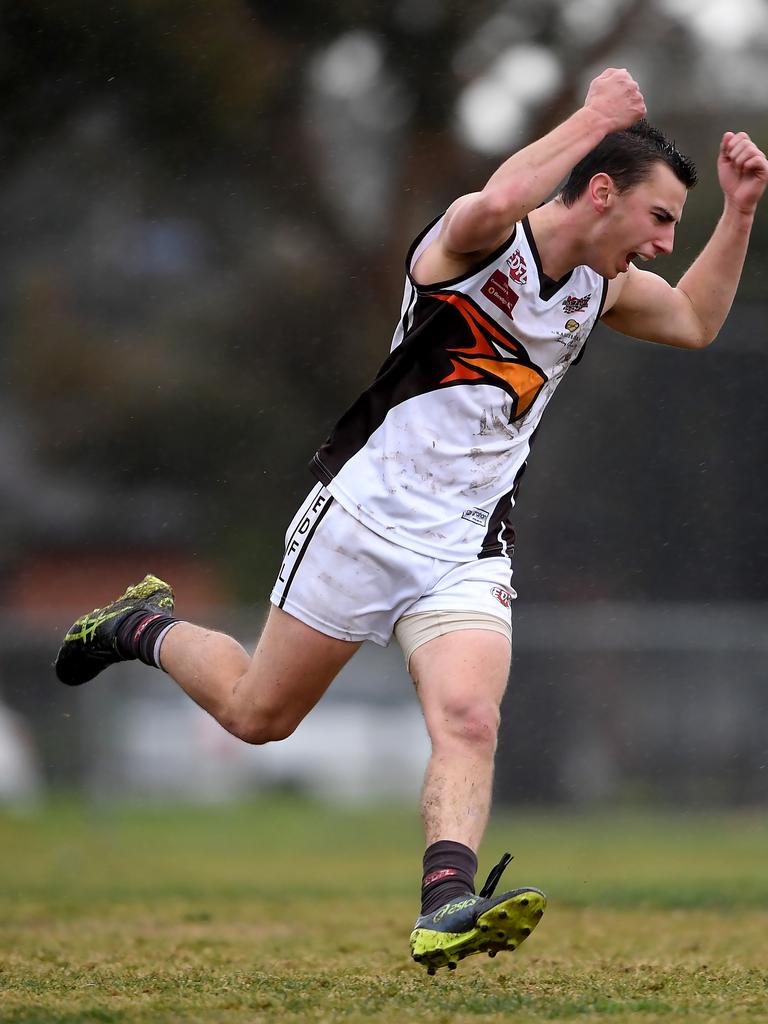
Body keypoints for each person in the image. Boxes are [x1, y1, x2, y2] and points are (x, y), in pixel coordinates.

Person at [55, 67, 768, 975]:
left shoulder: (601, 290)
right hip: (361, 521)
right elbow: (502, 194)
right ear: (599, 191)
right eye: (662, 218)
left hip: (464, 545)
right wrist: (593, 115)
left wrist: (740, 211)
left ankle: (447, 903)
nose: (667, 243)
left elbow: (700, 323)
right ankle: (138, 625)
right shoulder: (471, 247)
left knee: (469, 716)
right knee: (256, 714)